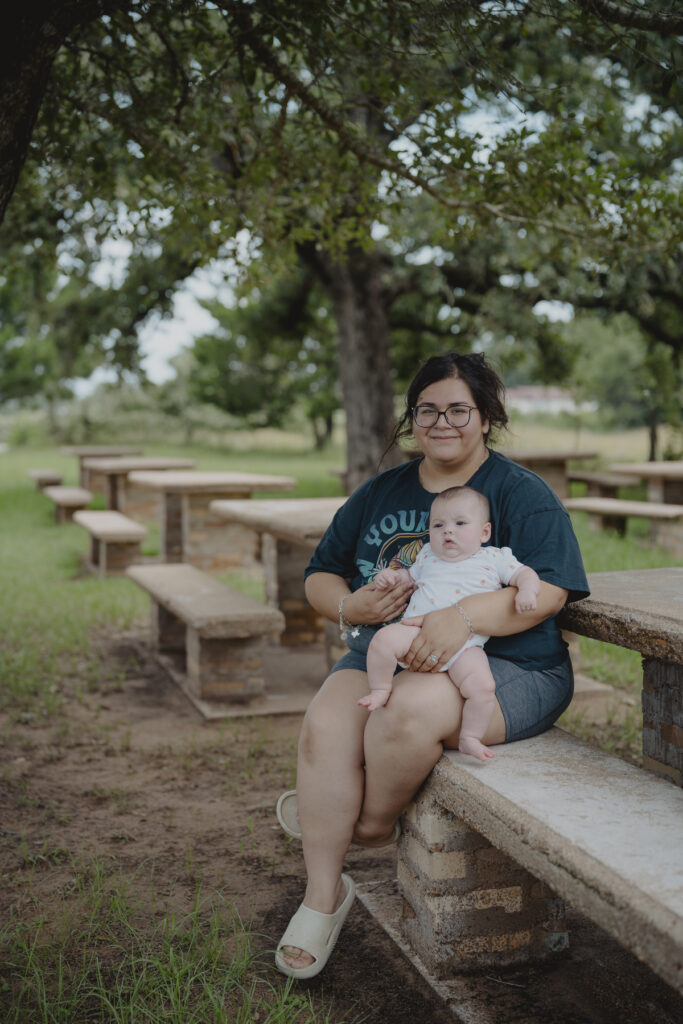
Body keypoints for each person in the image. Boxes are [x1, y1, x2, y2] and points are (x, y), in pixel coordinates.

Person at [274, 351, 589, 980]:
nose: (442, 421)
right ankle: (323, 895)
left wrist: (464, 617)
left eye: (458, 410)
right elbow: (319, 575)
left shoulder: (522, 494)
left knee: (405, 713)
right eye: (427, 409)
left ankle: (360, 826)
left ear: (486, 417)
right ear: (412, 417)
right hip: (386, 654)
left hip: (508, 669)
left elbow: (551, 590)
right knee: (323, 727)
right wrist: (350, 604)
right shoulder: (381, 491)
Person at [358, 486, 541, 763]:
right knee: (382, 641)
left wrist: (527, 591)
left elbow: (525, 574)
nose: (448, 531)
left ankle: (470, 737)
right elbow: (408, 578)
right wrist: (391, 578)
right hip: (415, 632)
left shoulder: (494, 558)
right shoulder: (428, 555)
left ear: (484, 532)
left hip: (467, 644)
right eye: (438, 524)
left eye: (460, 523)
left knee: (483, 688)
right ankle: (381, 688)